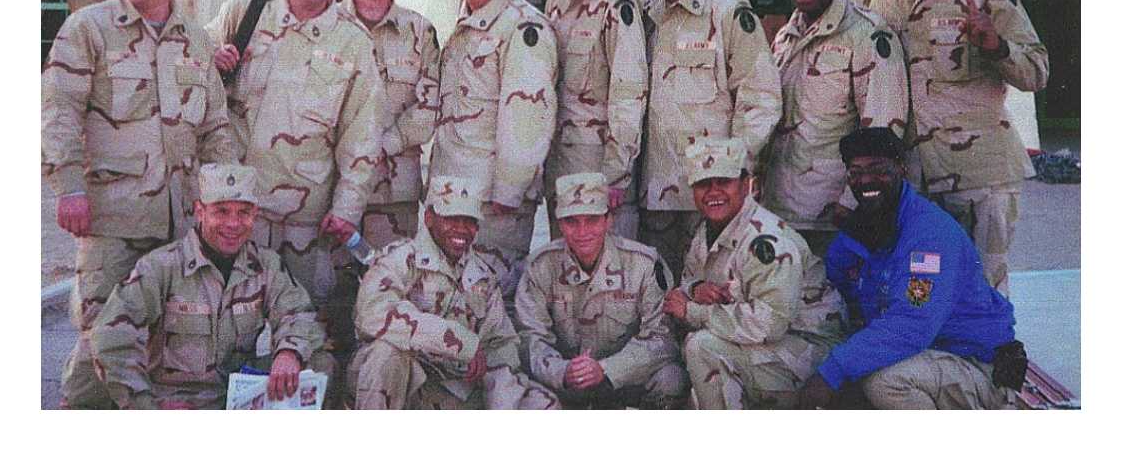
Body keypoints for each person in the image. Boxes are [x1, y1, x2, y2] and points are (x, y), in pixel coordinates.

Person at [42, 0, 237, 408]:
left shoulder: (195, 39)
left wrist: (222, 201)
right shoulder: (89, 29)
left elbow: (214, 126)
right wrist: (68, 186)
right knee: (103, 334)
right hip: (114, 219)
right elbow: (59, 111)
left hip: (179, 221)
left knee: (169, 337)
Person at [869, 0, 1049, 294]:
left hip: (981, 177)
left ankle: (989, 336)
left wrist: (995, 46)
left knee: (982, 286)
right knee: (922, 286)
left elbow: (1037, 72)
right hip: (917, 179)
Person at [206, 0, 391, 314]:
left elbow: (362, 134)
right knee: (230, 312)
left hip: (304, 217)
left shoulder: (352, 41)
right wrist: (211, 58)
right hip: (238, 207)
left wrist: (347, 208)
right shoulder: (248, 10)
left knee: (302, 315)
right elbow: (193, 55)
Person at [798, 127, 1025, 409]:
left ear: (902, 169)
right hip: (921, 354)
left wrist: (832, 372)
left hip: (973, 362)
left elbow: (913, 322)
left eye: (878, 170)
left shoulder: (930, 235)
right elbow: (837, 295)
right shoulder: (858, 232)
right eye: (856, 172)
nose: (865, 180)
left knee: (885, 382)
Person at [91, 164, 331, 409]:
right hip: (178, 400)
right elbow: (109, 337)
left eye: (244, 212)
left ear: (255, 214)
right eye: (221, 211)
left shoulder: (266, 264)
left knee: (318, 361)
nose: (233, 223)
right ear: (200, 211)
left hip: (240, 395)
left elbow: (299, 313)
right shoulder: (161, 266)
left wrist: (289, 352)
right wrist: (146, 406)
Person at [639, 0, 782, 280]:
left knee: (711, 289)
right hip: (654, 193)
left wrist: (733, 173)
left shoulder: (730, 11)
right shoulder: (644, 13)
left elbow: (760, 98)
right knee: (658, 291)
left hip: (709, 195)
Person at [348, 177, 559, 409]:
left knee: (542, 403)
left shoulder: (482, 275)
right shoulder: (398, 260)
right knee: (385, 354)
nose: (461, 228)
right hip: (403, 382)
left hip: (455, 388)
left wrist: (503, 400)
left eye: (469, 221)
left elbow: (500, 344)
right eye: (451, 218)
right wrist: (457, 341)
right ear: (429, 218)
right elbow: (372, 314)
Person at [428, 0, 558, 298]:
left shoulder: (522, 27)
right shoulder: (467, 22)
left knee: (490, 301)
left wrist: (509, 193)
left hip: (493, 206)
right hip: (456, 195)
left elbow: (528, 117)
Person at [663, 138, 844, 408]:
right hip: (762, 345)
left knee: (702, 348)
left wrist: (692, 311)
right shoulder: (707, 229)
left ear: (746, 184)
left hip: (806, 354)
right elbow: (689, 279)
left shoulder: (766, 242)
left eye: (724, 181)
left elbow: (769, 324)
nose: (713, 192)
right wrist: (695, 288)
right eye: (703, 183)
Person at [762, 0, 908, 256]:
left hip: (832, 216)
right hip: (779, 209)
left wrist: (851, 203)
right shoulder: (786, 37)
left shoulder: (867, 35)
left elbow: (883, 130)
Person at [515, 172, 687, 408]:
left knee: (671, 379)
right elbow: (530, 337)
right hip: (567, 383)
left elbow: (662, 338)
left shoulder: (643, 264)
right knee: (523, 390)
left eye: (592, 220)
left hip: (624, 380)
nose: (582, 232)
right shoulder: (541, 266)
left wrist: (606, 370)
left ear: (608, 220)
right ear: (560, 224)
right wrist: (562, 371)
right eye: (571, 221)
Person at [544, 0, 647, 240]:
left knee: (607, 266)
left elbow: (629, 93)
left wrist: (616, 173)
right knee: (563, 264)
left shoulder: (618, 3)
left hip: (598, 170)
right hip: (560, 167)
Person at [343, 0, 440, 247]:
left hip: (393, 193)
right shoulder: (327, 27)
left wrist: (386, 144)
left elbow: (431, 104)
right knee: (330, 276)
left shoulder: (420, 31)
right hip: (333, 187)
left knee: (392, 272)